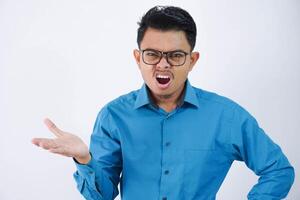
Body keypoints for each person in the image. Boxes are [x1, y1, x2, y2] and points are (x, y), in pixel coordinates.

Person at [32, 5, 295, 200]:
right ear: (138, 57)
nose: (163, 64)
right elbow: (102, 195)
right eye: (152, 54)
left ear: (192, 60)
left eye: (176, 55)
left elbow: (279, 170)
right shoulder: (114, 116)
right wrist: (84, 158)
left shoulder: (226, 116)